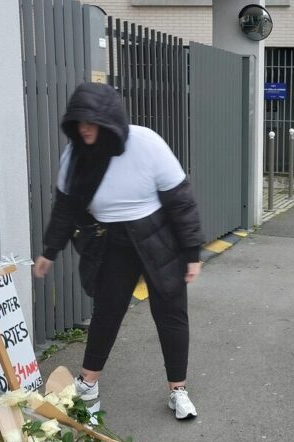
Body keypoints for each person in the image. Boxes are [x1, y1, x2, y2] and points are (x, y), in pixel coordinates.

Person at [33, 82, 204, 420]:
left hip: (158, 237)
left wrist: (192, 253)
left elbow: (181, 201)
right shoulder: (75, 156)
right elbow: (65, 209)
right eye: (79, 122)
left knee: (170, 313)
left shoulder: (147, 144)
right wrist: (49, 250)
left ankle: (178, 390)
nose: (85, 129)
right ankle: (88, 383)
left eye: (92, 122)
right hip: (111, 241)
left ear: (111, 121)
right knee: (107, 312)